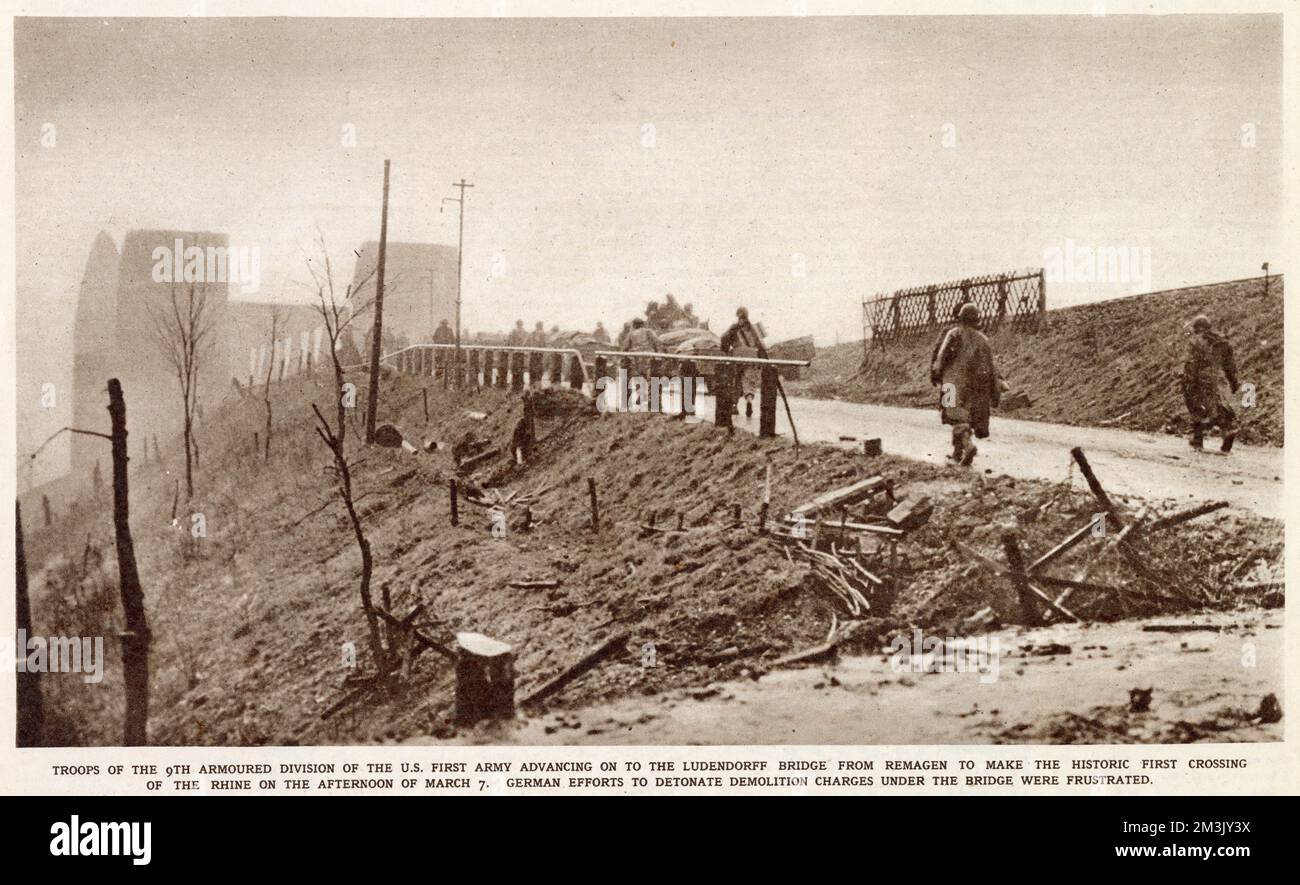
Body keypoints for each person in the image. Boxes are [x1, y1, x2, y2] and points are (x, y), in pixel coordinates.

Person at [930, 303, 1000, 466]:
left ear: (960, 319)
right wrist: (994, 388)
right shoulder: (983, 339)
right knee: (965, 418)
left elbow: (941, 357)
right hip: (974, 386)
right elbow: (991, 366)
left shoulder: (953, 333)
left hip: (952, 382)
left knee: (954, 416)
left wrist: (936, 373)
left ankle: (968, 446)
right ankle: (957, 452)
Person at [1182, 314, 1240, 452]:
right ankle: (1226, 432)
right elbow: (1230, 366)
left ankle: (1197, 441)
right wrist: (1233, 382)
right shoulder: (1223, 342)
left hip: (1200, 379)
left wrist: (1188, 381)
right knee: (1220, 406)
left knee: (1196, 406)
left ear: (1198, 328)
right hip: (1219, 379)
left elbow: (1191, 363)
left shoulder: (1195, 341)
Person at [721, 307, 762, 417]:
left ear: (737, 315)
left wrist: (726, 350)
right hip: (752, 357)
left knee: (736, 381)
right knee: (749, 382)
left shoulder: (734, 327)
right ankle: (749, 402)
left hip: (738, 357)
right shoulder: (753, 328)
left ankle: (734, 406)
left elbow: (724, 338)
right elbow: (760, 344)